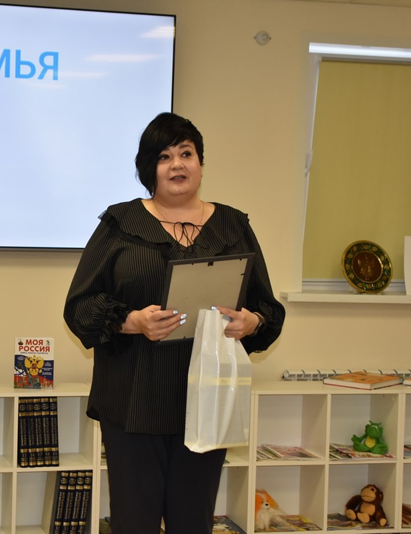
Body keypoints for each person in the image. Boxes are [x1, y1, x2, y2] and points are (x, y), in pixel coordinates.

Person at [63, 112, 285, 534]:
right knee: (135, 522)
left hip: (207, 400)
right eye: (164, 156)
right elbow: (79, 307)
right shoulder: (119, 224)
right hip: (134, 399)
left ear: (200, 162)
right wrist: (132, 321)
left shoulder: (233, 225)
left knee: (193, 522)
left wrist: (250, 322)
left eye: (186, 153)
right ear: (150, 168)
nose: (177, 164)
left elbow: (267, 307)